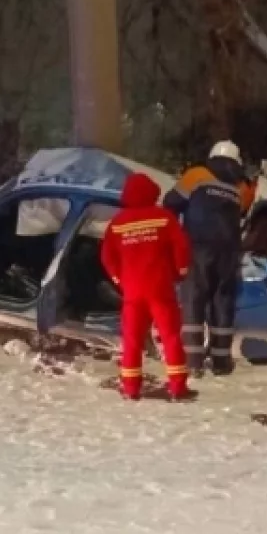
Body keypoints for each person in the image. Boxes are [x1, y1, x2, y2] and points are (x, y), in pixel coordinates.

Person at [163, 140, 255, 375]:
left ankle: (193, 361)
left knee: (194, 299)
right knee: (222, 301)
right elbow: (242, 212)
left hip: (198, 246)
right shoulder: (242, 186)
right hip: (229, 251)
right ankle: (221, 362)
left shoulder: (197, 174)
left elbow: (171, 202)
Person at [101, 171, 193, 401]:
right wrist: (181, 271)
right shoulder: (164, 217)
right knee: (170, 337)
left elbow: (107, 256)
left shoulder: (118, 223)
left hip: (132, 291)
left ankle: (131, 388)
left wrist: (119, 279)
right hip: (160, 288)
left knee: (132, 340)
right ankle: (178, 387)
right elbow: (181, 246)